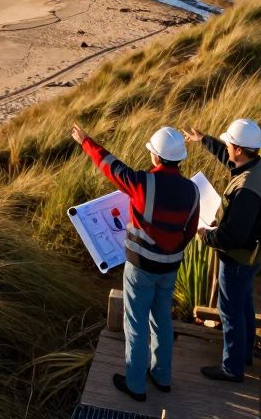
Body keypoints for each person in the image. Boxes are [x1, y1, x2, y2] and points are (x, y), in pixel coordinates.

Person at [71, 123, 200, 402]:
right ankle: (162, 377)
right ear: (179, 159)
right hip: (170, 268)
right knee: (162, 320)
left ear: (155, 157)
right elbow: (189, 232)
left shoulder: (143, 182)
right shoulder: (192, 191)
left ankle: (136, 385)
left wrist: (85, 141)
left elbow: (110, 165)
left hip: (141, 267)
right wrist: (170, 252)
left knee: (136, 324)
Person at [185, 119, 261, 383]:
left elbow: (234, 235)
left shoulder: (247, 188)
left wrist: (207, 235)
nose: (226, 147)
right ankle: (244, 354)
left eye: (228, 144)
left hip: (239, 257)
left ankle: (232, 368)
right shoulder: (257, 166)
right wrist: (204, 141)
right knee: (244, 304)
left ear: (238, 148)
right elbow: (228, 160)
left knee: (230, 311)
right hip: (254, 253)